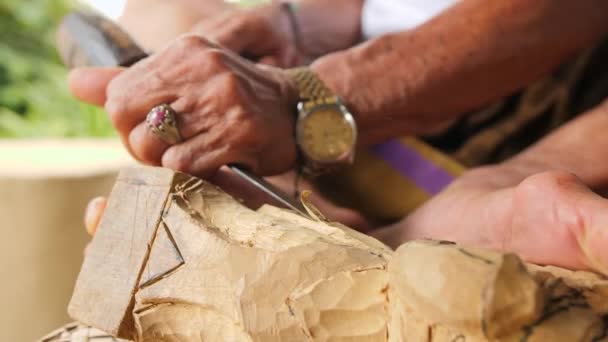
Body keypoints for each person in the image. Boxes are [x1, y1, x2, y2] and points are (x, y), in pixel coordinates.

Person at [74, 0, 608, 275]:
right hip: (366, 128)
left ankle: (491, 196)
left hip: (567, 91)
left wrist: (311, 96)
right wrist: (306, 27)